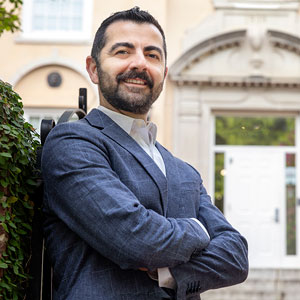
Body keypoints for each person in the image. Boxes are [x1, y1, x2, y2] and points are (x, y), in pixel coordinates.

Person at [41, 7, 248, 300]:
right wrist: (198, 228)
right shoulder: (74, 143)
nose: (139, 63)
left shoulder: (183, 170)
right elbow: (136, 239)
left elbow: (236, 257)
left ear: (163, 73)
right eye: (123, 52)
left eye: (152, 55)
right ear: (93, 68)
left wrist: (166, 273)